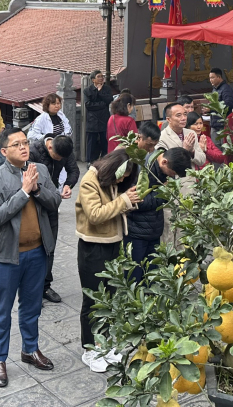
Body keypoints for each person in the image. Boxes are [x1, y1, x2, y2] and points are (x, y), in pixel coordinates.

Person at [0, 127, 61, 386]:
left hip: (37, 252)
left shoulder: (41, 169)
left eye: (25, 142)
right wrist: (24, 191)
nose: (23, 147)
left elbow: (55, 201)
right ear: (4, 151)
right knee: (2, 311)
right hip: (7, 256)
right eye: (16, 144)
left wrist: (37, 189)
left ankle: (30, 349)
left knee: (31, 307)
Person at [75, 148, 139, 373]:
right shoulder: (90, 180)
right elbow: (95, 215)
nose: (121, 181)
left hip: (112, 243)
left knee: (109, 299)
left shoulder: (109, 180)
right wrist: (124, 200)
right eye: (121, 177)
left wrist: (130, 199)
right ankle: (90, 350)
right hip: (93, 247)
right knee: (93, 301)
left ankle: (104, 345)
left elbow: (116, 206)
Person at [124, 147, 192, 281]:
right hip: (137, 231)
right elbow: (136, 202)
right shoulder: (143, 168)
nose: (172, 177)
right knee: (135, 276)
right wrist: (162, 193)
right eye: (172, 173)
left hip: (154, 231)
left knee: (151, 277)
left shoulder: (163, 169)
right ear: (164, 162)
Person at [28, 134, 79, 304]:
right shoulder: (33, 152)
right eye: (57, 157)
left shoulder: (64, 148)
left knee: (50, 245)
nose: (59, 160)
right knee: (33, 247)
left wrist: (68, 185)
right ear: (49, 147)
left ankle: (45, 286)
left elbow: (74, 170)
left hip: (51, 203)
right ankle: (31, 290)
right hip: (33, 204)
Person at [157, 102, 206, 168]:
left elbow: (202, 161)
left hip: (191, 174)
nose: (183, 118)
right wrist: (185, 150)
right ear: (169, 119)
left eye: (185, 114)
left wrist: (192, 151)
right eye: (178, 115)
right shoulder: (161, 137)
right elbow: (165, 165)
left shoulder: (191, 133)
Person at [83, 70, 113, 163]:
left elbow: (109, 100)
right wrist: (102, 104)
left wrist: (100, 92)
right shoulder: (87, 90)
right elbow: (88, 105)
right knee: (91, 142)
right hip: (92, 120)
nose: (101, 78)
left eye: (102, 76)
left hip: (104, 119)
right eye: (98, 77)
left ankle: (105, 161)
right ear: (93, 80)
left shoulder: (107, 89)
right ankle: (90, 162)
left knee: (105, 142)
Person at [207, 68, 233, 134]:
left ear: (219, 77)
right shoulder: (214, 89)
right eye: (210, 78)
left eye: (212, 78)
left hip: (223, 124)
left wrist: (211, 108)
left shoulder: (226, 89)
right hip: (214, 124)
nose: (210, 80)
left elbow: (229, 105)